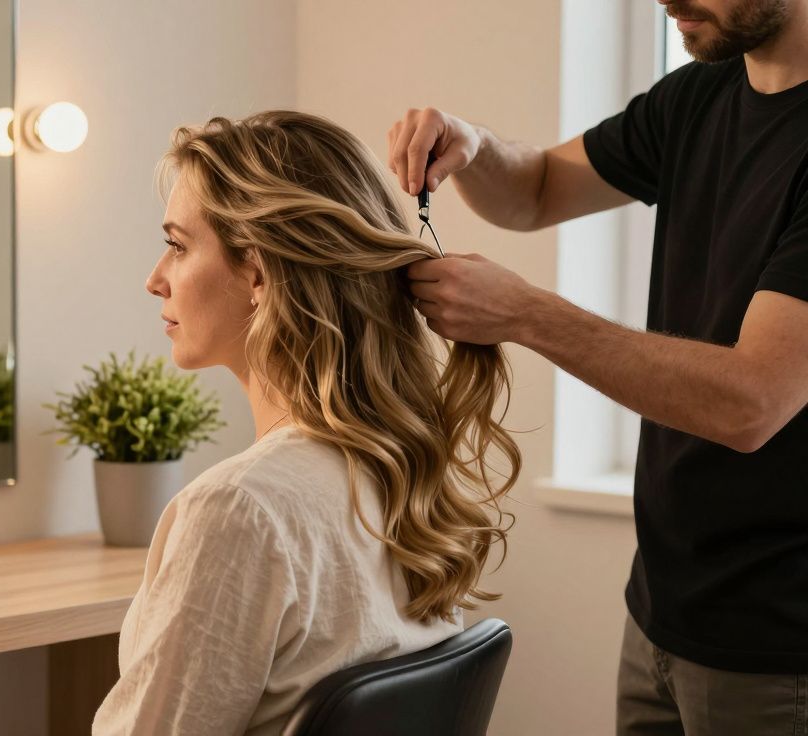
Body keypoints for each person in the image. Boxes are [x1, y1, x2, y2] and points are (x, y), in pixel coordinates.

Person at [387, 0, 808, 731]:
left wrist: (525, 313)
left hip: (780, 652)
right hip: (659, 614)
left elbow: (752, 402)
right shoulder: (699, 93)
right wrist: (474, 145)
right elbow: (538, 190)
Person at [92, 111, 521, 734]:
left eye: (178, 246)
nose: (155, 279)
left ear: (260, 273)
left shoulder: (238, 509)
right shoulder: (398, 472)